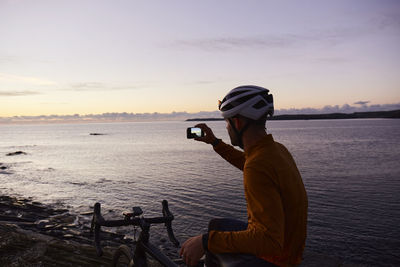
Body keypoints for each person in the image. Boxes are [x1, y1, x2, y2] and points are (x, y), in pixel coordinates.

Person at [179, 85, 308, 267]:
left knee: (211, 239)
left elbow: (268, 241)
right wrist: (215, 142)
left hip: (277, 259)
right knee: (217, 226)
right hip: (290, 247)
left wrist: (205, 242)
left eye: (227, 122)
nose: (227, 127)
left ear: (237, 123)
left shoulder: (258, 164)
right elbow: (247, 162)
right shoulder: (275, 150)